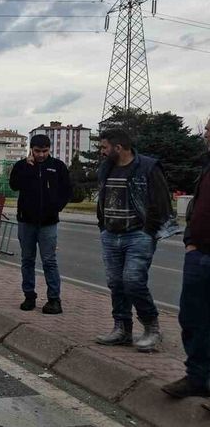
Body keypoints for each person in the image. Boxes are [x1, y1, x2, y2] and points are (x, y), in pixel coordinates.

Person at [95, 128, 179, 352]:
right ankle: (122, 328)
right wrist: (103, 225)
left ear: (118, 147)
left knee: (133, 281)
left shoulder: (148, 167)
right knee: (116, 283)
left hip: (137, 235)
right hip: (110, 234)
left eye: (104, 147)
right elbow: (102, 197)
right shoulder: (106, 168)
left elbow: (161, 202)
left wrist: (148, 231)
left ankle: (152, 327)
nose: (102, 152)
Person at [162, 119, 210, 398]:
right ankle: (196, 378)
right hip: (198, 253)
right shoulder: (206, 166)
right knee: (192, 318)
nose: (205, 133)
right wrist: (190, 241)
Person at [9, 134, 72, 314]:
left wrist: (56, 207)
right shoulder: (21, 166)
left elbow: (67, 190)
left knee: (49, 261)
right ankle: (29, 296)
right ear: (31, 150)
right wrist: (28, 168)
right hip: (26, 221)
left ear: (49, 149)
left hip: (48, 223)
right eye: (37, 151)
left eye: (45, 151)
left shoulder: (57, 166)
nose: (41, 155)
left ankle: (54, 299)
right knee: (27, 260)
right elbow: (14, 185)